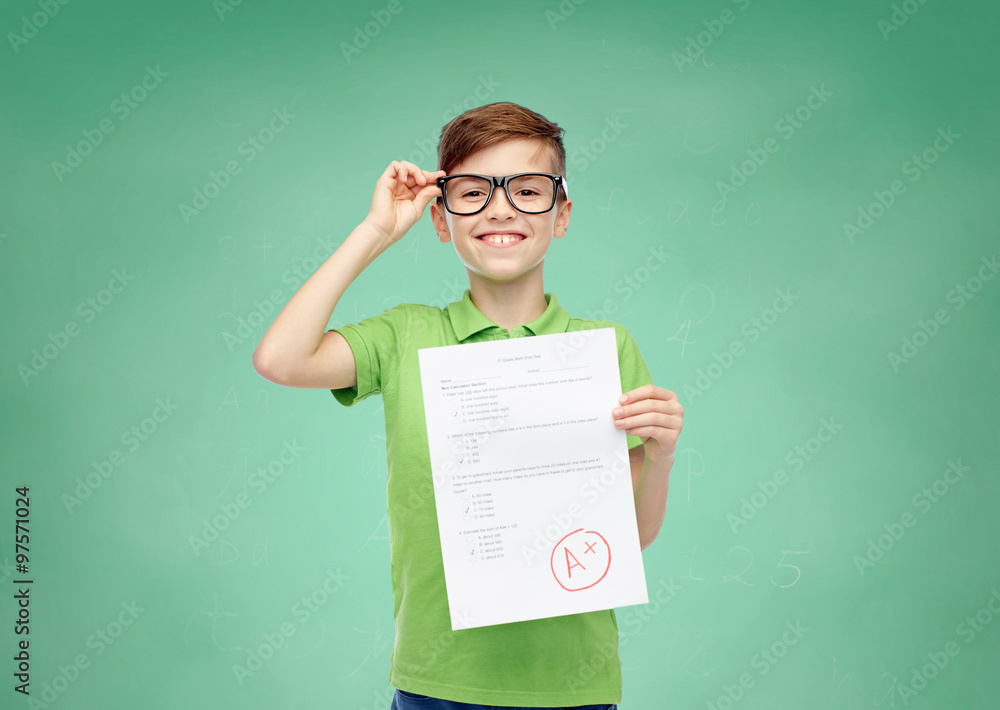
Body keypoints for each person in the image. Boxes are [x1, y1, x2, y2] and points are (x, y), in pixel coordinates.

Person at [252, 101, 683, 709]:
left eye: (528, 190)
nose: (501, 208)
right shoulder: (405, 336)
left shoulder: (606, 349)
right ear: (440, 217)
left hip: (572, 685)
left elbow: (630, 537)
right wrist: (375, 231)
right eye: (475, 191)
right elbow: (281, 359)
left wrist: (661, 457)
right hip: (440, 683)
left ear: (561, 214)